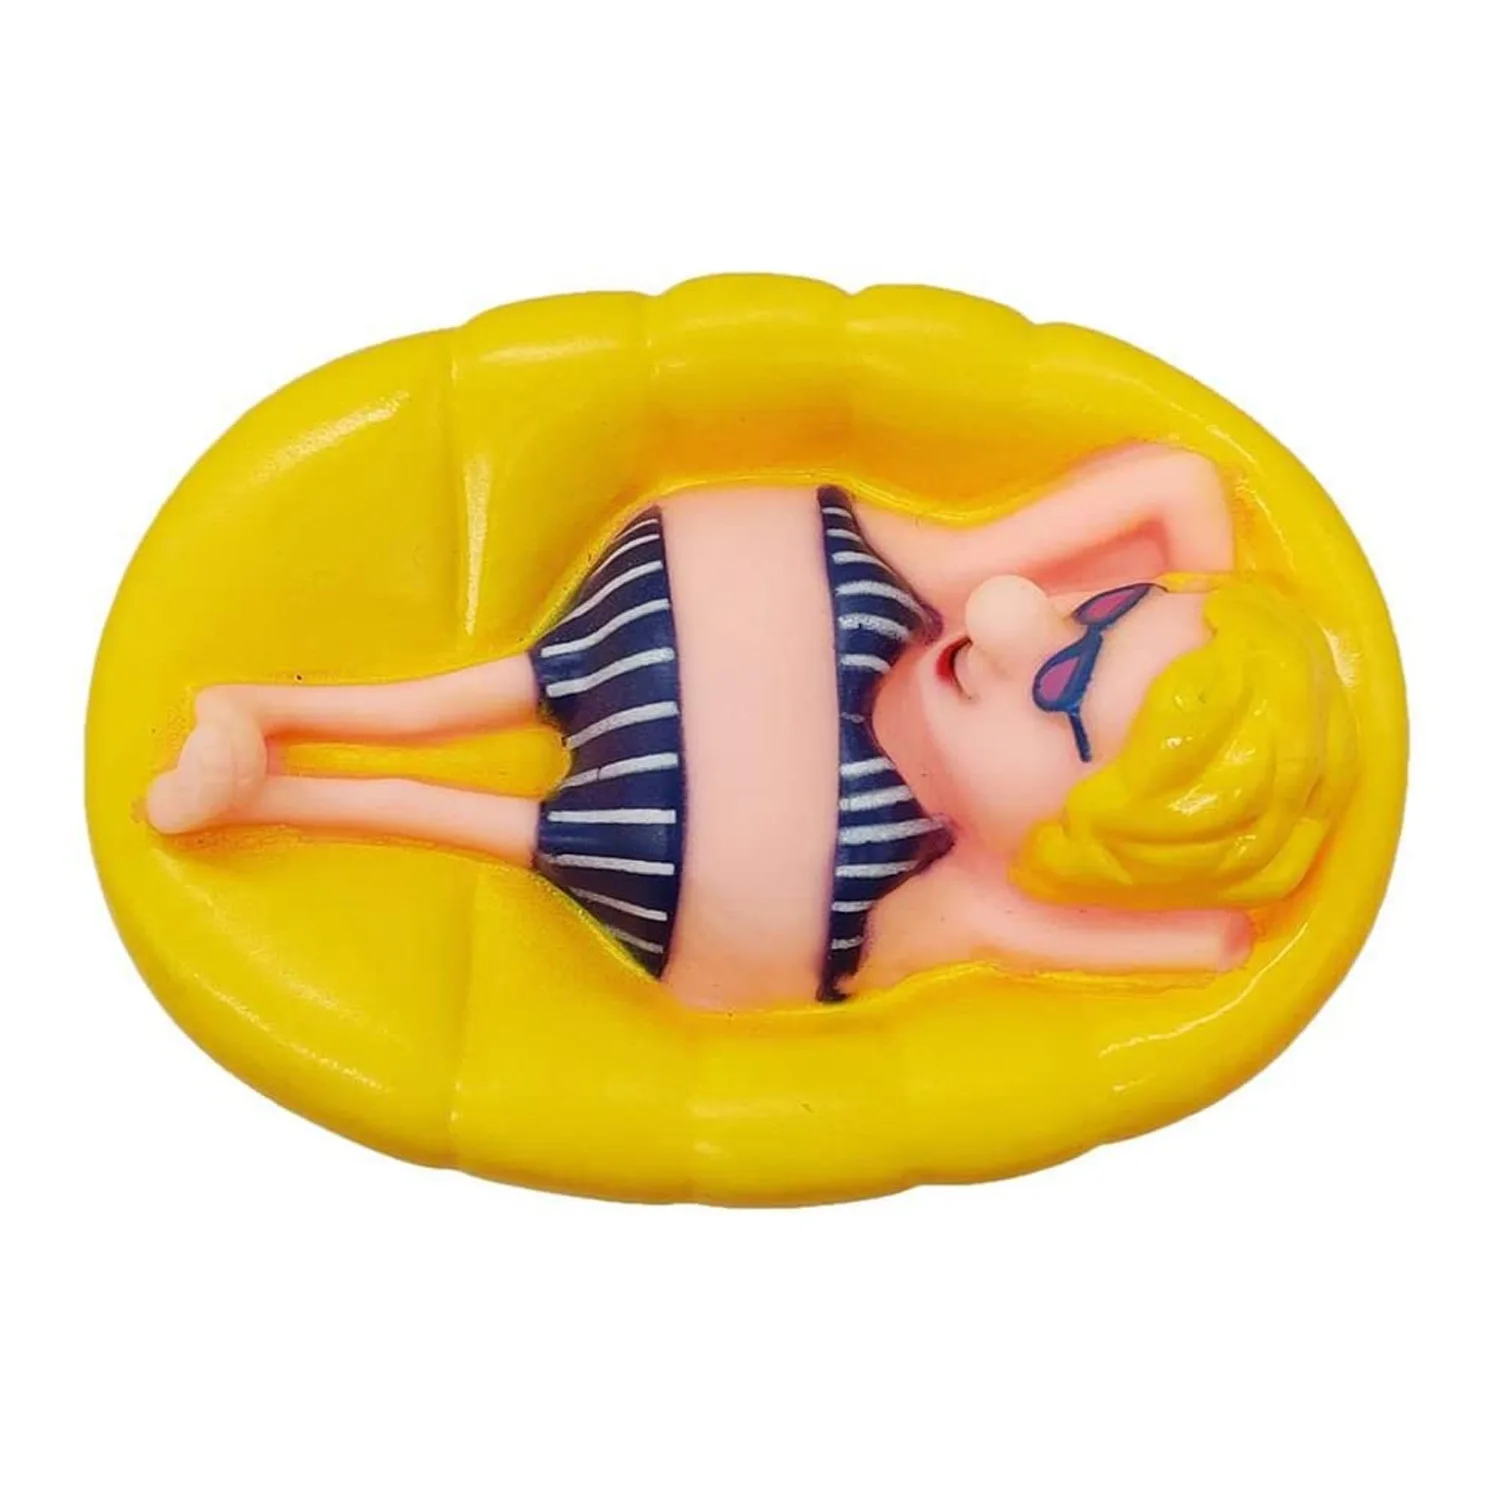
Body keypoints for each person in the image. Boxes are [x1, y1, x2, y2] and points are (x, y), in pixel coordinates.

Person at [146, 444, 1354, 1010]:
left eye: (1061, 697)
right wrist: (1211, 596)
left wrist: (1170, 867)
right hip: (654, 624)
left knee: (483, 822)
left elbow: (1208, 945)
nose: (1013, 618)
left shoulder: (961, 898)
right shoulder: (939, 580)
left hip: (653, 850)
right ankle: (265, 713)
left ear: (1069, 843)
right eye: (1089, 614)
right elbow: (1178, 482)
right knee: (464, 697)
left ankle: (271, 797)